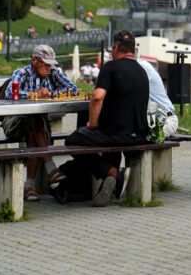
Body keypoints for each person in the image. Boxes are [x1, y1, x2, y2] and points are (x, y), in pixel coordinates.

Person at [57, 31, 149, 207]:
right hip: (139, 134)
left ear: (115, 48)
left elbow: (97, 97)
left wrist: (92, 123)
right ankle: (109, 184)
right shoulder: (142, 70)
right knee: (107, 139)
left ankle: (112, 172)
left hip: (118, 134)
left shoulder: (111, 67)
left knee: (74, 140)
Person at [2, 45, 79, 203]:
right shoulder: (21, 73)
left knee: (34, 129)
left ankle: (29, 187)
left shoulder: (53, 72)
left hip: (40, 127)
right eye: (45, 64)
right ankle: (50, 167)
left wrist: (51, 93)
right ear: (34, 60)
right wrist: (34, 94)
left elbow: (74, 90)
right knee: (34, 119)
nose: (48, 68)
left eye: (50, 64)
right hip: (16, 123)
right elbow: (10, 93)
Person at [136, 54, 179, 137]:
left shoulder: (141, 67)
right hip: (156, 120)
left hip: (165, 121)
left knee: (135, 139)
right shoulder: (141, 65)